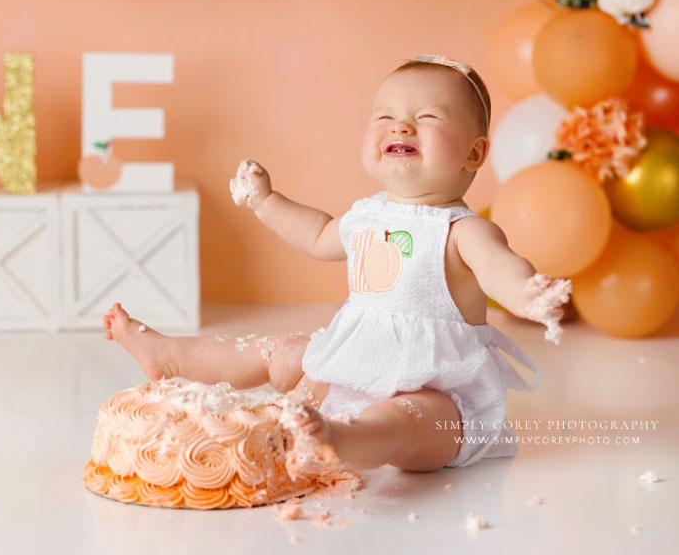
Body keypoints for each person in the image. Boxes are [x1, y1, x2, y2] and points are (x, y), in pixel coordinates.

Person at [103, 55, 571, 472]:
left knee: (406, 420)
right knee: (277, 351)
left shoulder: (461, 230)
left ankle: (341, 439)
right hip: (352, 365)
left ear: (474, 152)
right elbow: (317, 233)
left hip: (437, 394)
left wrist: (528, 292)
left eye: (426, 117)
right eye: (385, 115)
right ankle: (170, 355)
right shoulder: (366, 214)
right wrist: (266, 201)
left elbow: (499, 268)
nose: (400, 126)